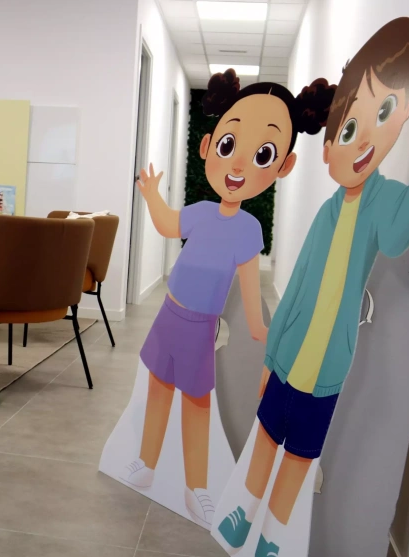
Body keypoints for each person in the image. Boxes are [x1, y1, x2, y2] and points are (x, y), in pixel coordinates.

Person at [216, 19, 409, 557]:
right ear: (328, 150)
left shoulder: (382, 203)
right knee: (265, 441)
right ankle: (240, 515)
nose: (363, 139)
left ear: (405, 111)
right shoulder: (326, 212)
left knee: (299, 458)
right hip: (289, 357)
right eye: (348, 131)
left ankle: (272, 539)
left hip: (327, 370)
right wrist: (271, 359)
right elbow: (296, 288)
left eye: (383, 113)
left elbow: (400, 234)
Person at [123, 69, 335, 527]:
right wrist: (151, 196)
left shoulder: (249, 230)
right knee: (158, 388)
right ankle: (146, 462)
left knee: (196, 403)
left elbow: (250, 291)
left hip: (201, 326)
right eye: (228, 146)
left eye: (262, 154)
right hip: (169, 316)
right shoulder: (200, 212)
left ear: (283, 166)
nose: (238, 165)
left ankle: (196, 487)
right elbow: (168, 224)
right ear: (207, 147)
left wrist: (266, 332)